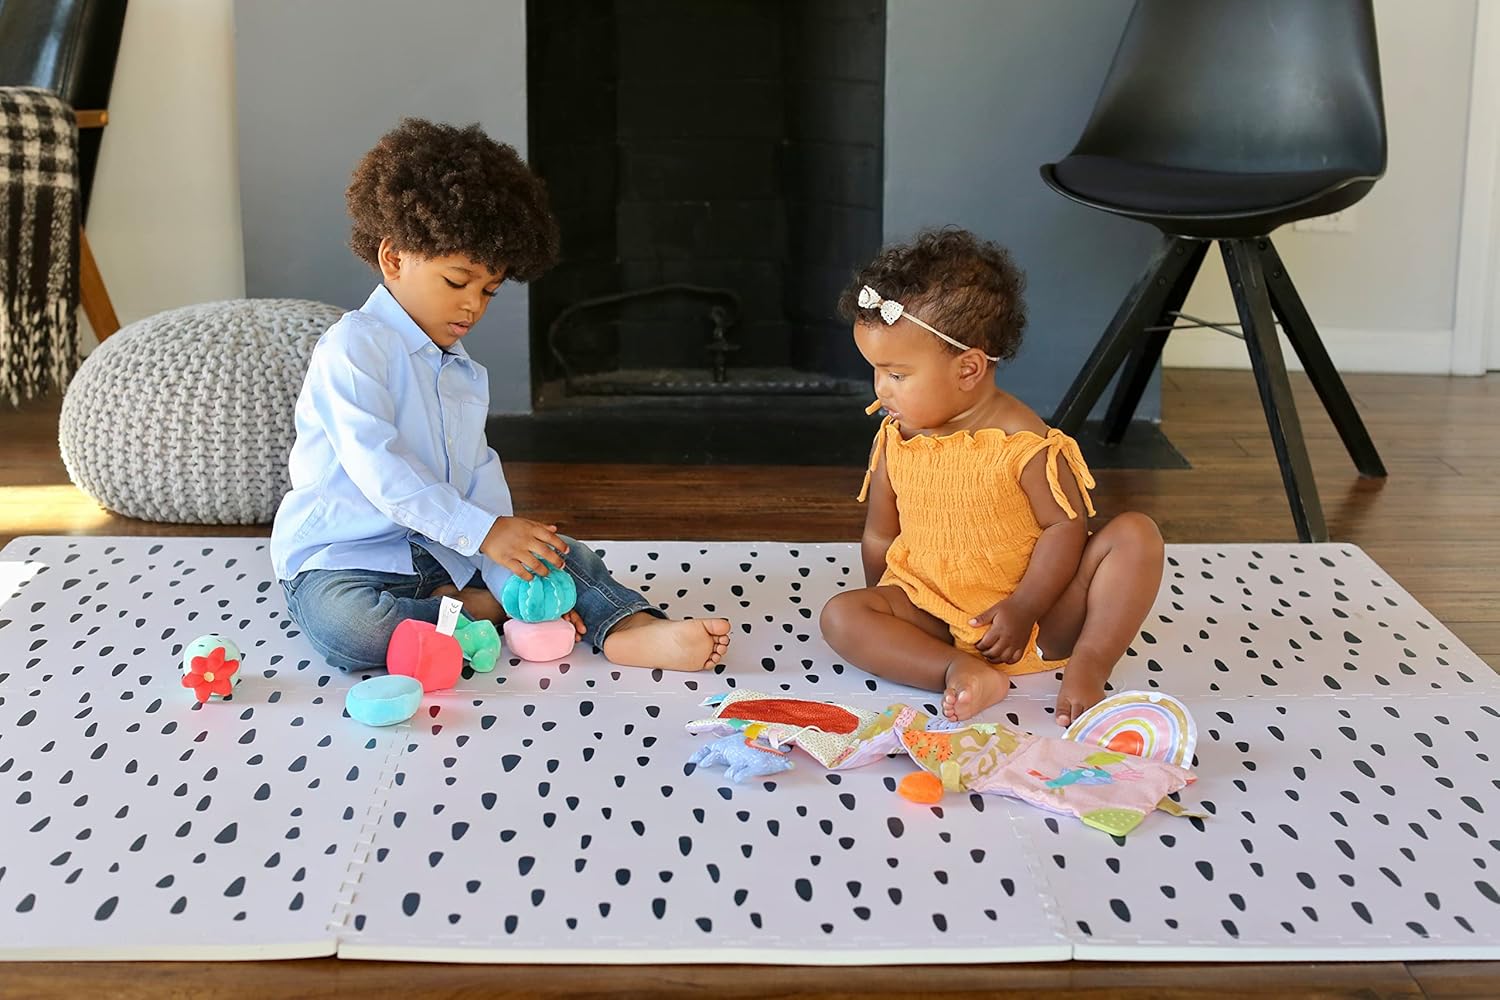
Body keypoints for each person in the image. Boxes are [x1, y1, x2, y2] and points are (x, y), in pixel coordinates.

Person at [271, 118, 730, 674]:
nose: (473, 306)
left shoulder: (461, 370)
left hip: (446, 551)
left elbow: (476, 474)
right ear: (394, 258)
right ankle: (483, 611)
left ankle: (626, 626)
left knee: (558, 554)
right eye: (456, 282)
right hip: (346, 559)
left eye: (488, 291)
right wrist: (485, 534)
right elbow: (379, 467)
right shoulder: (353, 348)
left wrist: (507, 543)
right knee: (352, 630)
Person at [819, 228, 1163, 725]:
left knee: (1136, 535)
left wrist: (1023, 608)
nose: (881, 390)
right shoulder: (897, 438)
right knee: (841, 616)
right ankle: (955, 668)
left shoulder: (1025, 444)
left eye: (896, 375)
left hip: (1038, 619)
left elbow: (1065, 528)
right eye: (875, 371)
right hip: (933, 609)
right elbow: (880, 535)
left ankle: (1090, 662)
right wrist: (886, 606)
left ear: (968, 370)